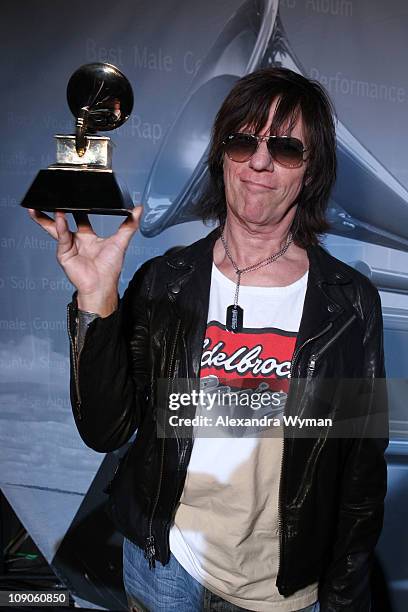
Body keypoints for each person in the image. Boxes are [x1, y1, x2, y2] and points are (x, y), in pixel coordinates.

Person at [29, 67, 388, 612]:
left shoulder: (351, 303)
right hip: (164, 565)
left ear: (311, 171)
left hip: (285, 587)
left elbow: (361, 473)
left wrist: (344, 598)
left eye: (287, 148)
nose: (260, 162)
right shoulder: (166, 281)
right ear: (222, 156)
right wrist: (97, 299)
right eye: (243, 142)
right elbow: (107, 430)